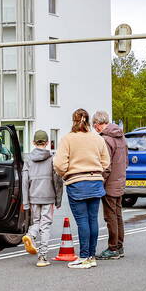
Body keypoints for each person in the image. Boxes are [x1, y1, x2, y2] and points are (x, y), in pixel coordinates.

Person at [54, 109, 110, 269]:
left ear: (74, 121)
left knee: (82, 221)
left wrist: (66, 173)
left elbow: (58, 164)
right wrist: (97, 169)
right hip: (95, 181)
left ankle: (84, 256)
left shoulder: (67, 139)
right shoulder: (97, 139)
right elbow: (106, 161)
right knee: (93, 219)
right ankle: (92, 256)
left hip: (77, 182)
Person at [21, 130, 63, 267]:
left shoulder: (27, 159)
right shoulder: (52, 159)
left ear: (34, 142)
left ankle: (31, 234)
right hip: (48, 197)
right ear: (47, 143)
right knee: (45, 225)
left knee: (36, 221)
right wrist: (58, 199)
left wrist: (25, 202)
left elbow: (24, 181)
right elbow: (57, 180)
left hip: (33, 197)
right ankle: (42, 257)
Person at [93, 110, 127, 260]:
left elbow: (105, 165)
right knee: (118, 215)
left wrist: (100, 181)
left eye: (95, 126)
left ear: (98, 124)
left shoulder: (106, 139)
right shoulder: (121, 137)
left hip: (109, 184)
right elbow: (125, 160)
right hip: (120, 181)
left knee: (110, 216)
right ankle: (119, 246)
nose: (95, 129)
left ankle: (113, 247)